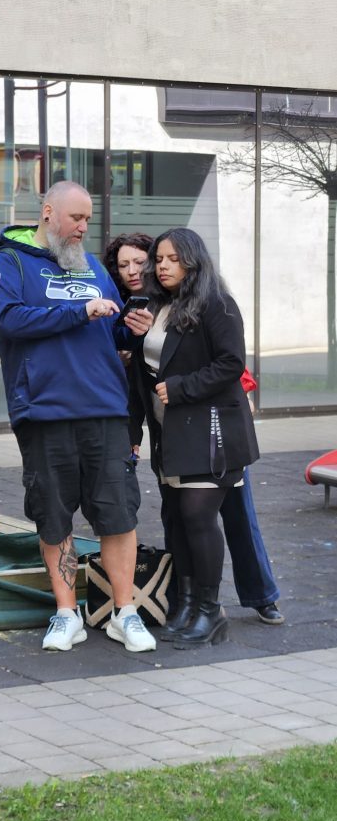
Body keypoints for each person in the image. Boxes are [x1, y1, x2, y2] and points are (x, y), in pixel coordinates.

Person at [0, 180, 156, 654]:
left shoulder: (93, 266)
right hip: (44, 410)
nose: (84, 227)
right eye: (76, 218)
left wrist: (131, 329)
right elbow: (11, 320)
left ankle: (125, 613)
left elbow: (110, 330)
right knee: (53, 516)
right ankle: (67, 614)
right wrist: (79, 312)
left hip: (105, 408)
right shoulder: (10, 262)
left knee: (118, 515)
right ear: (48, 212)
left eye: (87, 220)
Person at [104, 233, 284, 629]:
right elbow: (142, 378)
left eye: (168, 259)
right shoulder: (150, 306)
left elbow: (230, 362)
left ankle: (223, 605)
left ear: (192, 260)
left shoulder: (215, 303)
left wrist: (182, 387)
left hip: (212, 433)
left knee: (213, 517)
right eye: (158, 260)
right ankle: (186, 603)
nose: (157, 267)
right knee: (181, 519)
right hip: (171, 434)